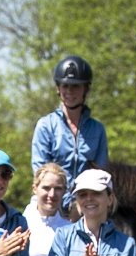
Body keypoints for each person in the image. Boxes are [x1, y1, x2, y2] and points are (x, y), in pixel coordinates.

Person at [32, 56, 109, 214]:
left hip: (85, 206)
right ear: (58, 89)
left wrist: (79, 204)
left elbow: (101, 173)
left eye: (75, 86)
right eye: (65, 86)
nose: (69, 91)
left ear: (86, 89)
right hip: (51, 203)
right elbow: (41, 172)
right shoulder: (46, 126)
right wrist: (66, 202)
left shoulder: (97, 129)